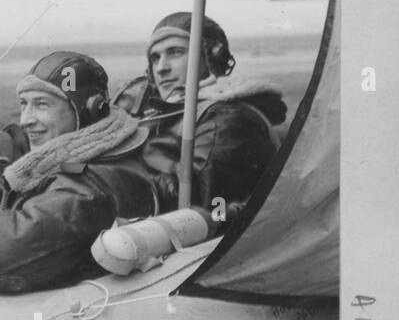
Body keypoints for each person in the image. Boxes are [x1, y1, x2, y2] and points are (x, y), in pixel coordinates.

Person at [0, 51, 162, 293]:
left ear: (89, 110)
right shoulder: (55, 156)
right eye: (24, 105)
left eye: (42, 104)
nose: (25, 120)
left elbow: (0, 250)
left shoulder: (94, 184)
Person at [113, 12, 287, 212]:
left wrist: (115, 181)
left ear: (211, 58)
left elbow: (198, 202)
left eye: (176, 52)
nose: (161, 68)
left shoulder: (228, 120)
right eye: (155, 58)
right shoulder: (165, 113)